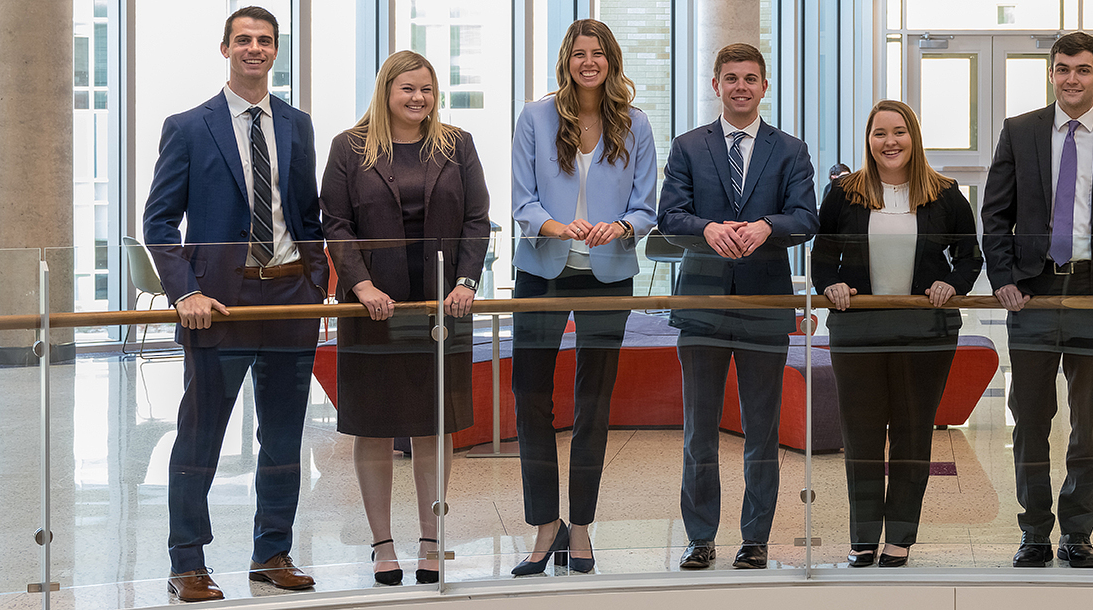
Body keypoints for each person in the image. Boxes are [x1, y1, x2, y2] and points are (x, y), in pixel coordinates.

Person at [142, 6, 326, 602]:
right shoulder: (189, 126)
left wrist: (317, 282)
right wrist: (186, 291)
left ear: (276, 51)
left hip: (290, 296)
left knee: (282, 438)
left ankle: (272, 552)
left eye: (265, 41)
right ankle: (187, 561)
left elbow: (307, 216)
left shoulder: (297, 125)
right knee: (200, 437)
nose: (255, 49)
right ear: (225, 49)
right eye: (243, 40)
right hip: (219, 301)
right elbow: (159, 221)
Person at [980, 31, 1093, 569]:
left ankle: (1077, 532)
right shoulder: (1021, 131)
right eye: (1063, 69)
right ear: (1052, 74)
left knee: (1088, 420)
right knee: (1030, 418)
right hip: (1032, 295)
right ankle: (1034, 531)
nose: (1072, 79)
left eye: (1083, 70)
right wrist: (1004, 277)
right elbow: (995, 214)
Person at [319, 50, 490, 587]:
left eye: (428, 90)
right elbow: (336, 222)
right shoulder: (348, 147)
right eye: (408, 89)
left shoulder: (456, 144)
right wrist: (361, 283)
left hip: (441, 308)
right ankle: (382, 544)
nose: (419, 99)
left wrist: (466, 282)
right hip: (372, 309)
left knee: (432, 426)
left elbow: (477, 218)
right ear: (386, 91)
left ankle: (432, 540)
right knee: (372, 427)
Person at [658, 42, 819, 570]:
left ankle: (755, 540)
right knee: (698, 431)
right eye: (731, 78)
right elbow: (670, 217)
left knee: (762, 432)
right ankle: (701, 536)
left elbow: (805, 218)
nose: (741, 86)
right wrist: (707, 228)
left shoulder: (790, 151)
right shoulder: (687, 147)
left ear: (764, 86)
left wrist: (766, 226)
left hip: (763, 304)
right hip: (701, 301)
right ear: (716, 85)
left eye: (751, 78)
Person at [507, 19, 657, 576]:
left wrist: (618, 228)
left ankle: (584, 527)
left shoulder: (635, 123)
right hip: (542, 271)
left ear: (611, 61)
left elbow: (646, 208)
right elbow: (522, 199)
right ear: (565, 60)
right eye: (578, 53)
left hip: (608, 274)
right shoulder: (535, 116)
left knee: (594, 401)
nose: (588, 61)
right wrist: (552, 226)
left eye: (597, 53)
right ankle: (547, 525)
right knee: (530, 396)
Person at [812, 100, 983, 568]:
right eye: (879, 133)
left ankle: (900, 536)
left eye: (899, 132)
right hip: (859, 329)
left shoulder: (945, 194)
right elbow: (822, 258)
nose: (890, 142)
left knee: (912, 434)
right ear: (868, 141)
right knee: (862, 435)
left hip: (923, 329)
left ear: (915, 137)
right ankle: (864, 536)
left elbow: (970, 258)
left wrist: (955, 283)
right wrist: (830, 285)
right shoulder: (844, 194)